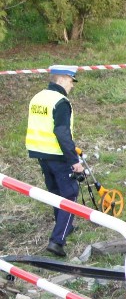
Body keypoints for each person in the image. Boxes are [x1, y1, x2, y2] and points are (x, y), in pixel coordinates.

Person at [25, 64, 84, 257]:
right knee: (70, 194)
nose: (72, 85)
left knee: (56, 192)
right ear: (62, 79)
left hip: (39, 153)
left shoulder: (38, 97)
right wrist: (74, 161)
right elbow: (62, 133)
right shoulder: (61, 102)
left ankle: (64, 225)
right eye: (71, 81)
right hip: (57, 155)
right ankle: (57, 241)